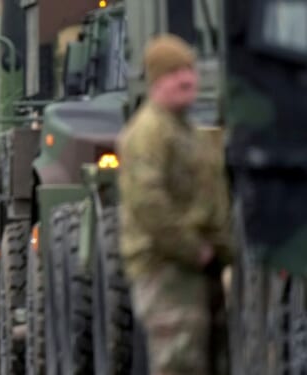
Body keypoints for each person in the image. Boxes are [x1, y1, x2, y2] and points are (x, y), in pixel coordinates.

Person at [117, 34, 231, 375]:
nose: (186, 79)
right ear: (155, 81)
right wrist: (195, 250)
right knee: (179, 365)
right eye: (174, 73)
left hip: (196, 269)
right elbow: (148, 203)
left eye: (189, 70)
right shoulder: (148, 132)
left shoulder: (188, 131)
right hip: (167, 269)